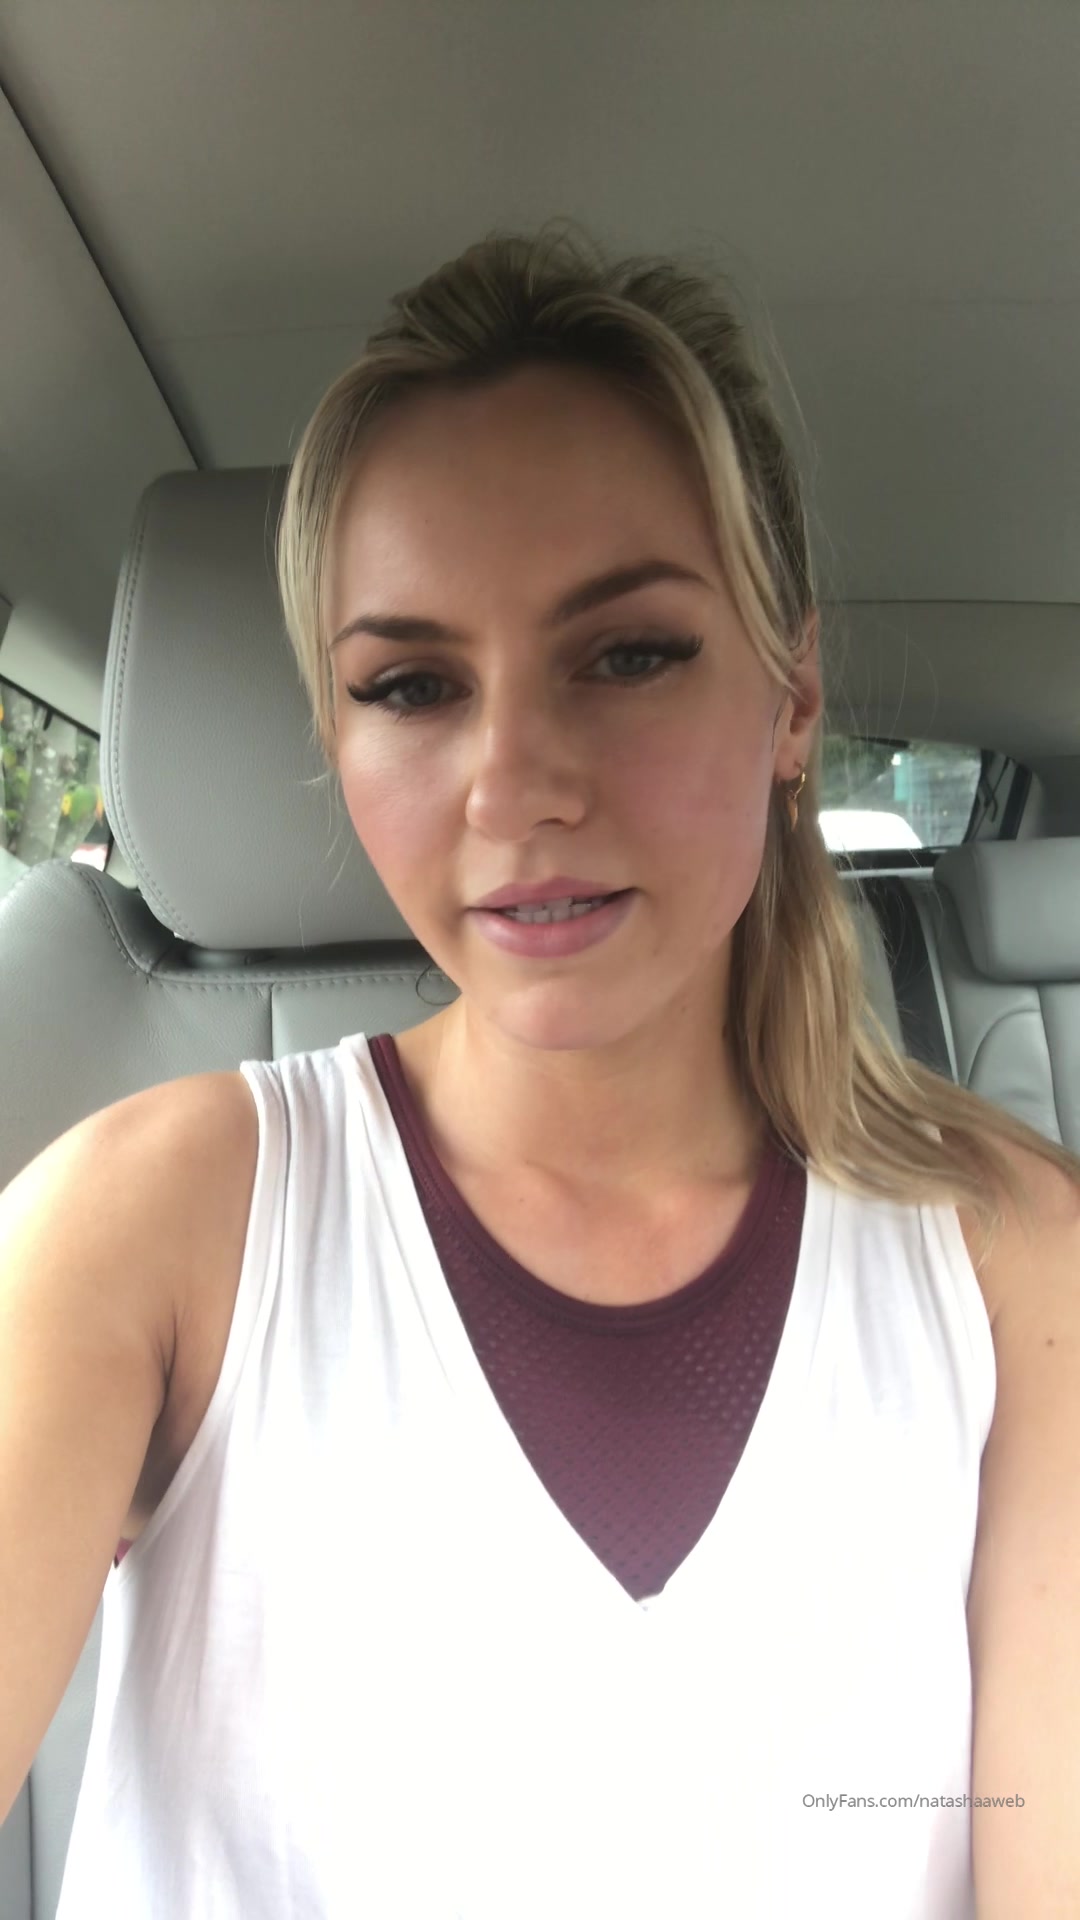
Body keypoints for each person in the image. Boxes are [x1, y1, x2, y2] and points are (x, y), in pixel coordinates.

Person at [58, 219, 1080, 1916]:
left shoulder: (1015, 1261)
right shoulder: (148, 1223)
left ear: (794, 698)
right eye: (412, 685)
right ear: (336, 739)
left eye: (628, 653)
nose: (513, 782)